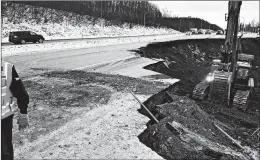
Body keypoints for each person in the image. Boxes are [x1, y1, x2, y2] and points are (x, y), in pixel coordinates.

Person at [1, 60, 30, 160]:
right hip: (4, 120)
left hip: (4, 119)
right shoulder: (6, 67)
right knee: (5, 151)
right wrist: (23, 114)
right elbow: (21, 94)